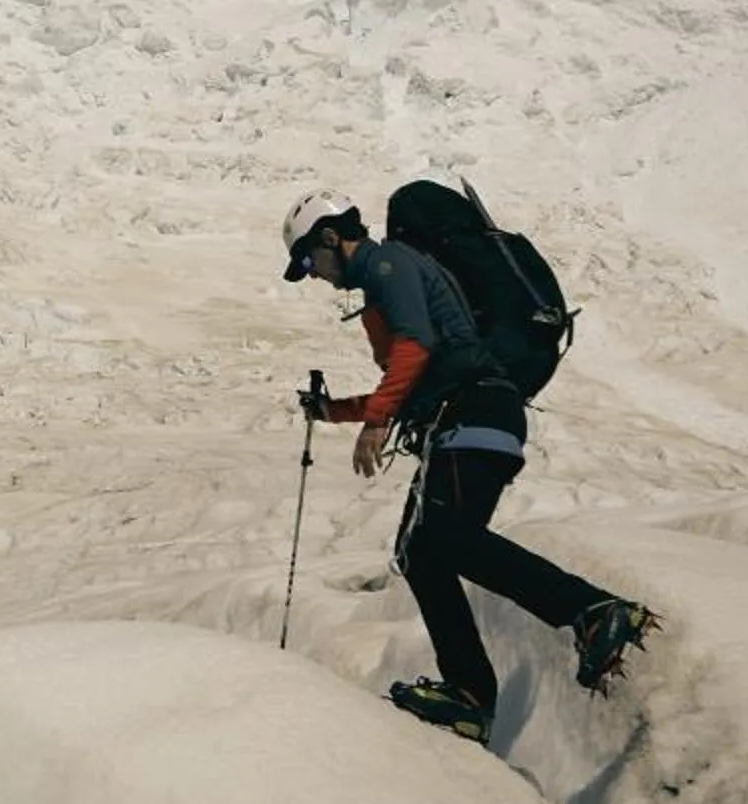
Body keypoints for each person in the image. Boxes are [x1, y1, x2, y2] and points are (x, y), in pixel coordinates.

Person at [281, 191, 656, 744]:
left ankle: (594, 610)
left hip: (476, 411)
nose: (313, 275)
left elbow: (416, 345)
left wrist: (375, 423)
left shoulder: (388, 263)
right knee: (420, 553)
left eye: (310, 261)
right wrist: (337, 411)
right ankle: (469, 696)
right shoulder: (385, 278)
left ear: (331, 236)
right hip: (468, 417)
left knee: (447, 538)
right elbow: (413, 377)